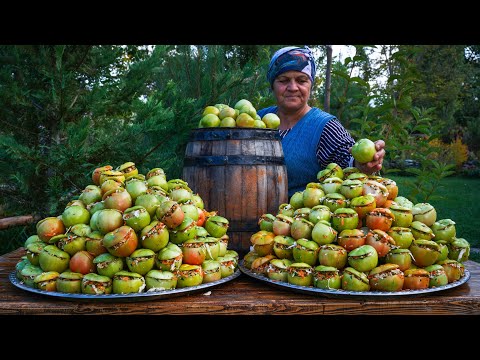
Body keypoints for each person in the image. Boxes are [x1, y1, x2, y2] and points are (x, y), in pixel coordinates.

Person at [257, 46, 386, 198]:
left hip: (299, 218)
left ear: (310, 85)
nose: (292, 87)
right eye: (283, 80)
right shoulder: (257, 119)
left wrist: (365, 163)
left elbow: (349, 162)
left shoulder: (324, 126)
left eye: (301, 80)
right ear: (272, 84)